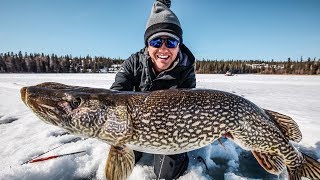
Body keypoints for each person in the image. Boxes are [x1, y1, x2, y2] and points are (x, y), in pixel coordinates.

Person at [110, 0, 196, 179]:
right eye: (156, 41)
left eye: (171, 42)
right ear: (147, 45)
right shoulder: (133, 63)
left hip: (173, 129)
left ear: (178, 45)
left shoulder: (186, 69)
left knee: (167, 173)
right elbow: (115, 95)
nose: (163, 49)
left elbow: (190, 108)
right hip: (135, 126)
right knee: (126, 159)